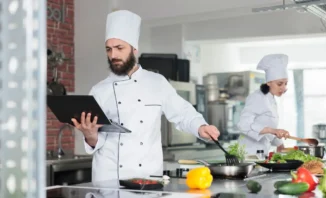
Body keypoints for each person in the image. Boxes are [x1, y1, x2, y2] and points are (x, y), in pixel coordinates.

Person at [71, 10, 220, 182]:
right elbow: (96, 140)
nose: (113, 55)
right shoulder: (98, 90)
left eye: (119, 48)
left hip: (147, 179)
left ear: (134, 49)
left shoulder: (156, 82)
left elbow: (183, 112)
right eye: (108, 49)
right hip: (109, 181)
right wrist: (90, 135)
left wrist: (201, 127)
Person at [237, 54, 290, 155]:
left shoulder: (271, 98)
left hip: (261, 152)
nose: (283, 88)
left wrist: (279, 143)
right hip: (248, 153)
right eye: (279, 84)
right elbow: (243, 124)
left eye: (285, 83)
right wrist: (273, 130)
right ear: (269, 82)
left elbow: (266, 128)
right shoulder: (257, 97)